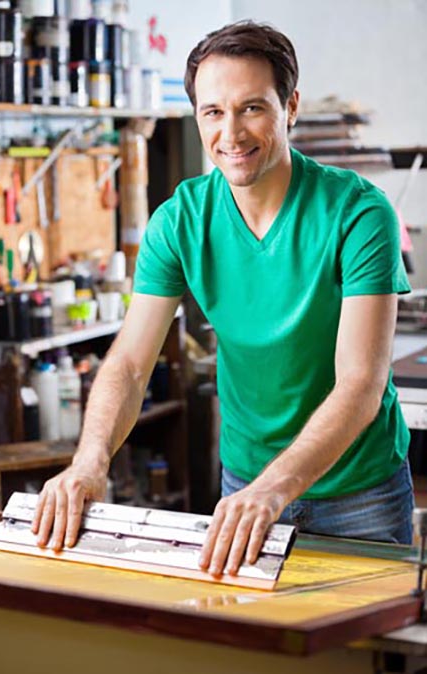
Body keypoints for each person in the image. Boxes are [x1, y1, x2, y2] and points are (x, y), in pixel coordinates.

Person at [32, 21, 414, 577]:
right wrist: (89, 463)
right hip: (246, 490)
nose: (231, 133)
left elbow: (360, 382)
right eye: (213, 112)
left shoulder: (359, 214)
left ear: (291, 107)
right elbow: (132, 363)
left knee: (365, 660)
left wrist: (273, 489)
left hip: (359, 494)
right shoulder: (180, 221)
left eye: (252, 108)